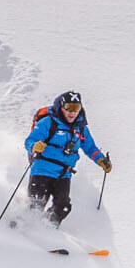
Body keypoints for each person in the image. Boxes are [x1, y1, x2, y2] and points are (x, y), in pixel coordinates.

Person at [24, 90, 111, 227]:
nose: (72, 112)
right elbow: (30, 141)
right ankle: (19, 230)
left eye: (76, 108)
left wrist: (101, 160)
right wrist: (35, 146)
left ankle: (46, 231)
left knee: (63, 206)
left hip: (64, 174)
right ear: (61, 107)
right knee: (36, 205)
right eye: (68, 108)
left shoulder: (81, 129)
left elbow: (90, 148)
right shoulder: (48, 122)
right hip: (42, 170)